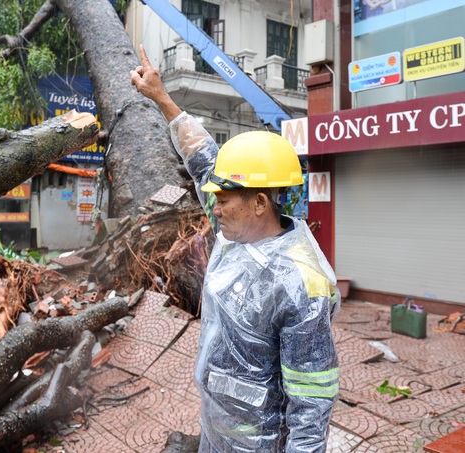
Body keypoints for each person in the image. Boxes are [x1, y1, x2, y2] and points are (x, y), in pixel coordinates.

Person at [130, 44, 340, 452]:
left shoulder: (301, 283)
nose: (214, 206)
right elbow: (204, 159)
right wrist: (161, 97)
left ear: (259, 202)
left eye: (223, 199)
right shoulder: (234, 233)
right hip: (216, 429)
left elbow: (312, 403)